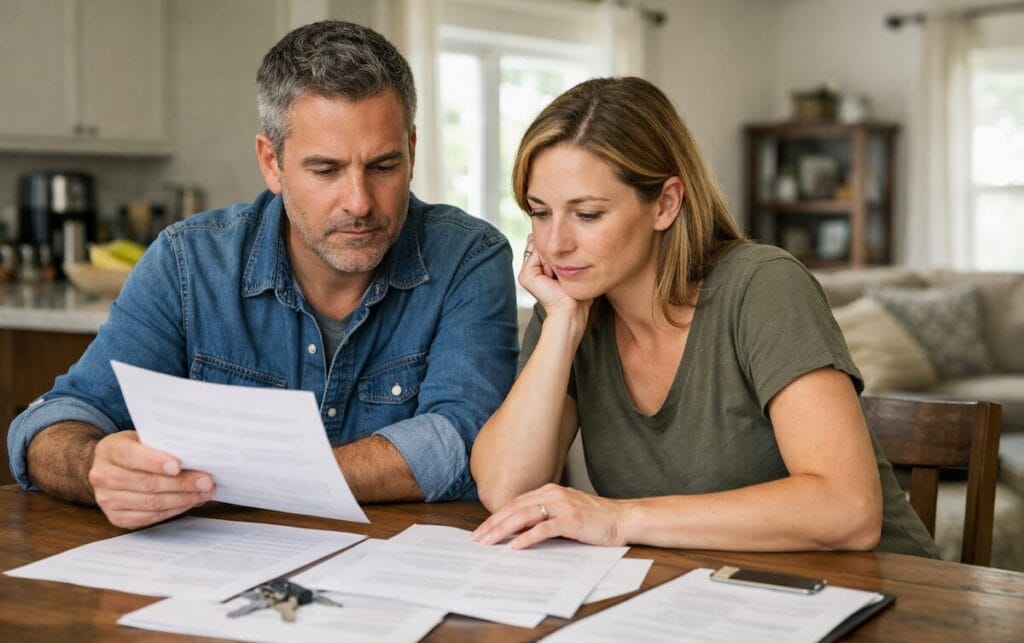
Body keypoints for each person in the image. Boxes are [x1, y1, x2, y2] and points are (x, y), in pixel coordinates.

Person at [7, 21, 518, 530]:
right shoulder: (189, 263)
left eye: (384, 166)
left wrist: (244, 481)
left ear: (411, 150)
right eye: (325, 170)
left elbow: (462, 436)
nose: (360, 202)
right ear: (271, 163)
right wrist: (95, 466)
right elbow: (54, 422)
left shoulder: (469, 257)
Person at [469, 76, 938, 557]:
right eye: (540, 212)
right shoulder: (573, 303)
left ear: (666, 204)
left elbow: (848, 512)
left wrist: (619, 518)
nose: (554, 243)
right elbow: (507, 491)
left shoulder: (763, 287)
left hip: (885, 601)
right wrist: (562, 324)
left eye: (587, 214)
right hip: (722, 598)